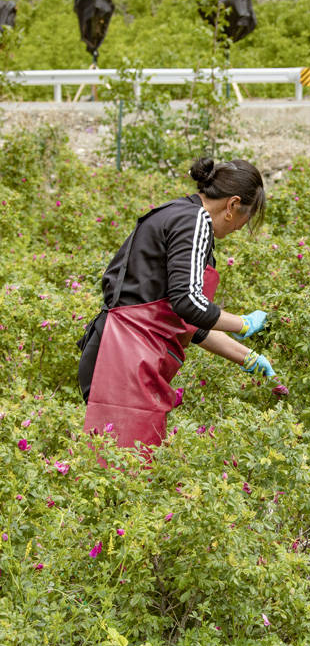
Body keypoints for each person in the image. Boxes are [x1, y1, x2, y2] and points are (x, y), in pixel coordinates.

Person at [77, 157, 277, 456]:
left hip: (118, 352)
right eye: (246, 218)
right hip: (124, 358)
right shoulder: (196, 221)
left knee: (115, 468)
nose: (240, 228)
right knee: (126, 472)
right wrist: (243, 324)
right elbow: (189, 304)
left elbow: (183, 322)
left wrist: (246, 356)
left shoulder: (178, 215)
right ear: (233, 204)